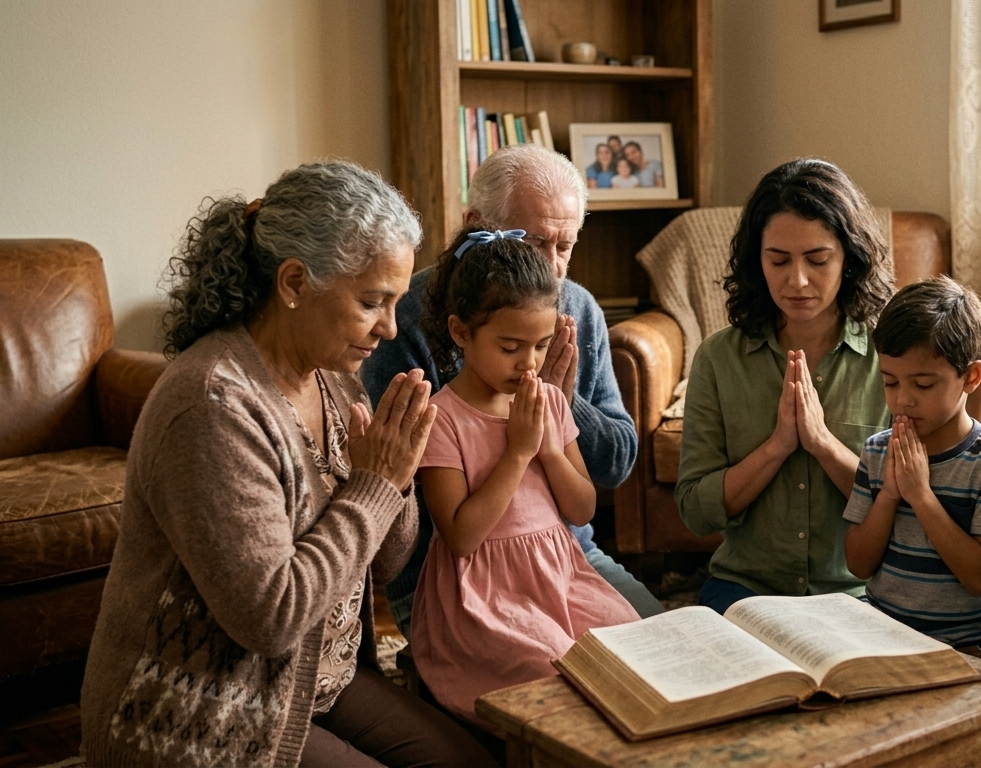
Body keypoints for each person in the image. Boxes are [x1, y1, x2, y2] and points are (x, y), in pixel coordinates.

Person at [80, 161, 494, 767]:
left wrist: (395, 478)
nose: (389, 328)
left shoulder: (336, 379)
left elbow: (385, 565)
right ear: (295, 282)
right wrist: (375, 487)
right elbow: (271, 619)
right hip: (204, 710)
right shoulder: (212, 405)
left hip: (315, 681)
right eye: (371, 302)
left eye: (396, 302)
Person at [362, 144, 661, 638]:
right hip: (454, 574)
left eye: (565, 246)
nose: (552, 266)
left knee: (662, 644)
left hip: (568, 553)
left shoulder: (578, 309)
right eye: (535, 242)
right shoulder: (406, 317)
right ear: (476, 225)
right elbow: (399, 490)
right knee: (544, 665)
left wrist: (565, 405)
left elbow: (616, 466)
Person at [411, 228, 639, 731]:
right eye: (510, 347)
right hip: (485, 594)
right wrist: (517, 453)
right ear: (461, 332)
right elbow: (461, 537)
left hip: (559, 574)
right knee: (551, 672)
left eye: (540, 345)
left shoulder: (548, 401)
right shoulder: (442, 418)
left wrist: (551, 450)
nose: (529, 363)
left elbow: (581, 509)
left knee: (628, 646)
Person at [676, 158, 894, 614]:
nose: (797, 280)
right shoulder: (718, 359)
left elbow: (907, 505)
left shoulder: (891, 358)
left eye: (817, 260)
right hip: (745, 589)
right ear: (757, 261)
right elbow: (696, 511)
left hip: (860, 593)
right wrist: (776, 447)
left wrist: (822, 444)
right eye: (778, 260)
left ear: (848, 259)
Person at [843, 277, 981, 663]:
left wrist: (920, 496)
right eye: (890, 382)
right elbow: (858, 565)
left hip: (971, 646)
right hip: (887, 639)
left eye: (923, 384)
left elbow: (979, 579)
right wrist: (890, 494)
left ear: (971, 377)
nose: (903, 399)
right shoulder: (877, 451)